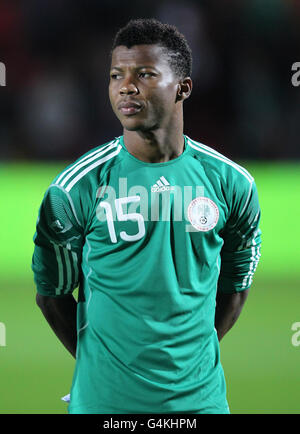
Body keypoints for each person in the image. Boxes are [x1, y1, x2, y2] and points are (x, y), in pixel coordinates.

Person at [32, 18, 261, 414]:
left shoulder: (231, 184)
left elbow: (236, 287)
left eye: (145, 74)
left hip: (200, 404)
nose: (126, 86)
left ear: (183, 88)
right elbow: (51, 295)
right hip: (105, 406)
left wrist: (187, 365)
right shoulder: (75, 188)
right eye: (116, 75)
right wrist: (98, 370)